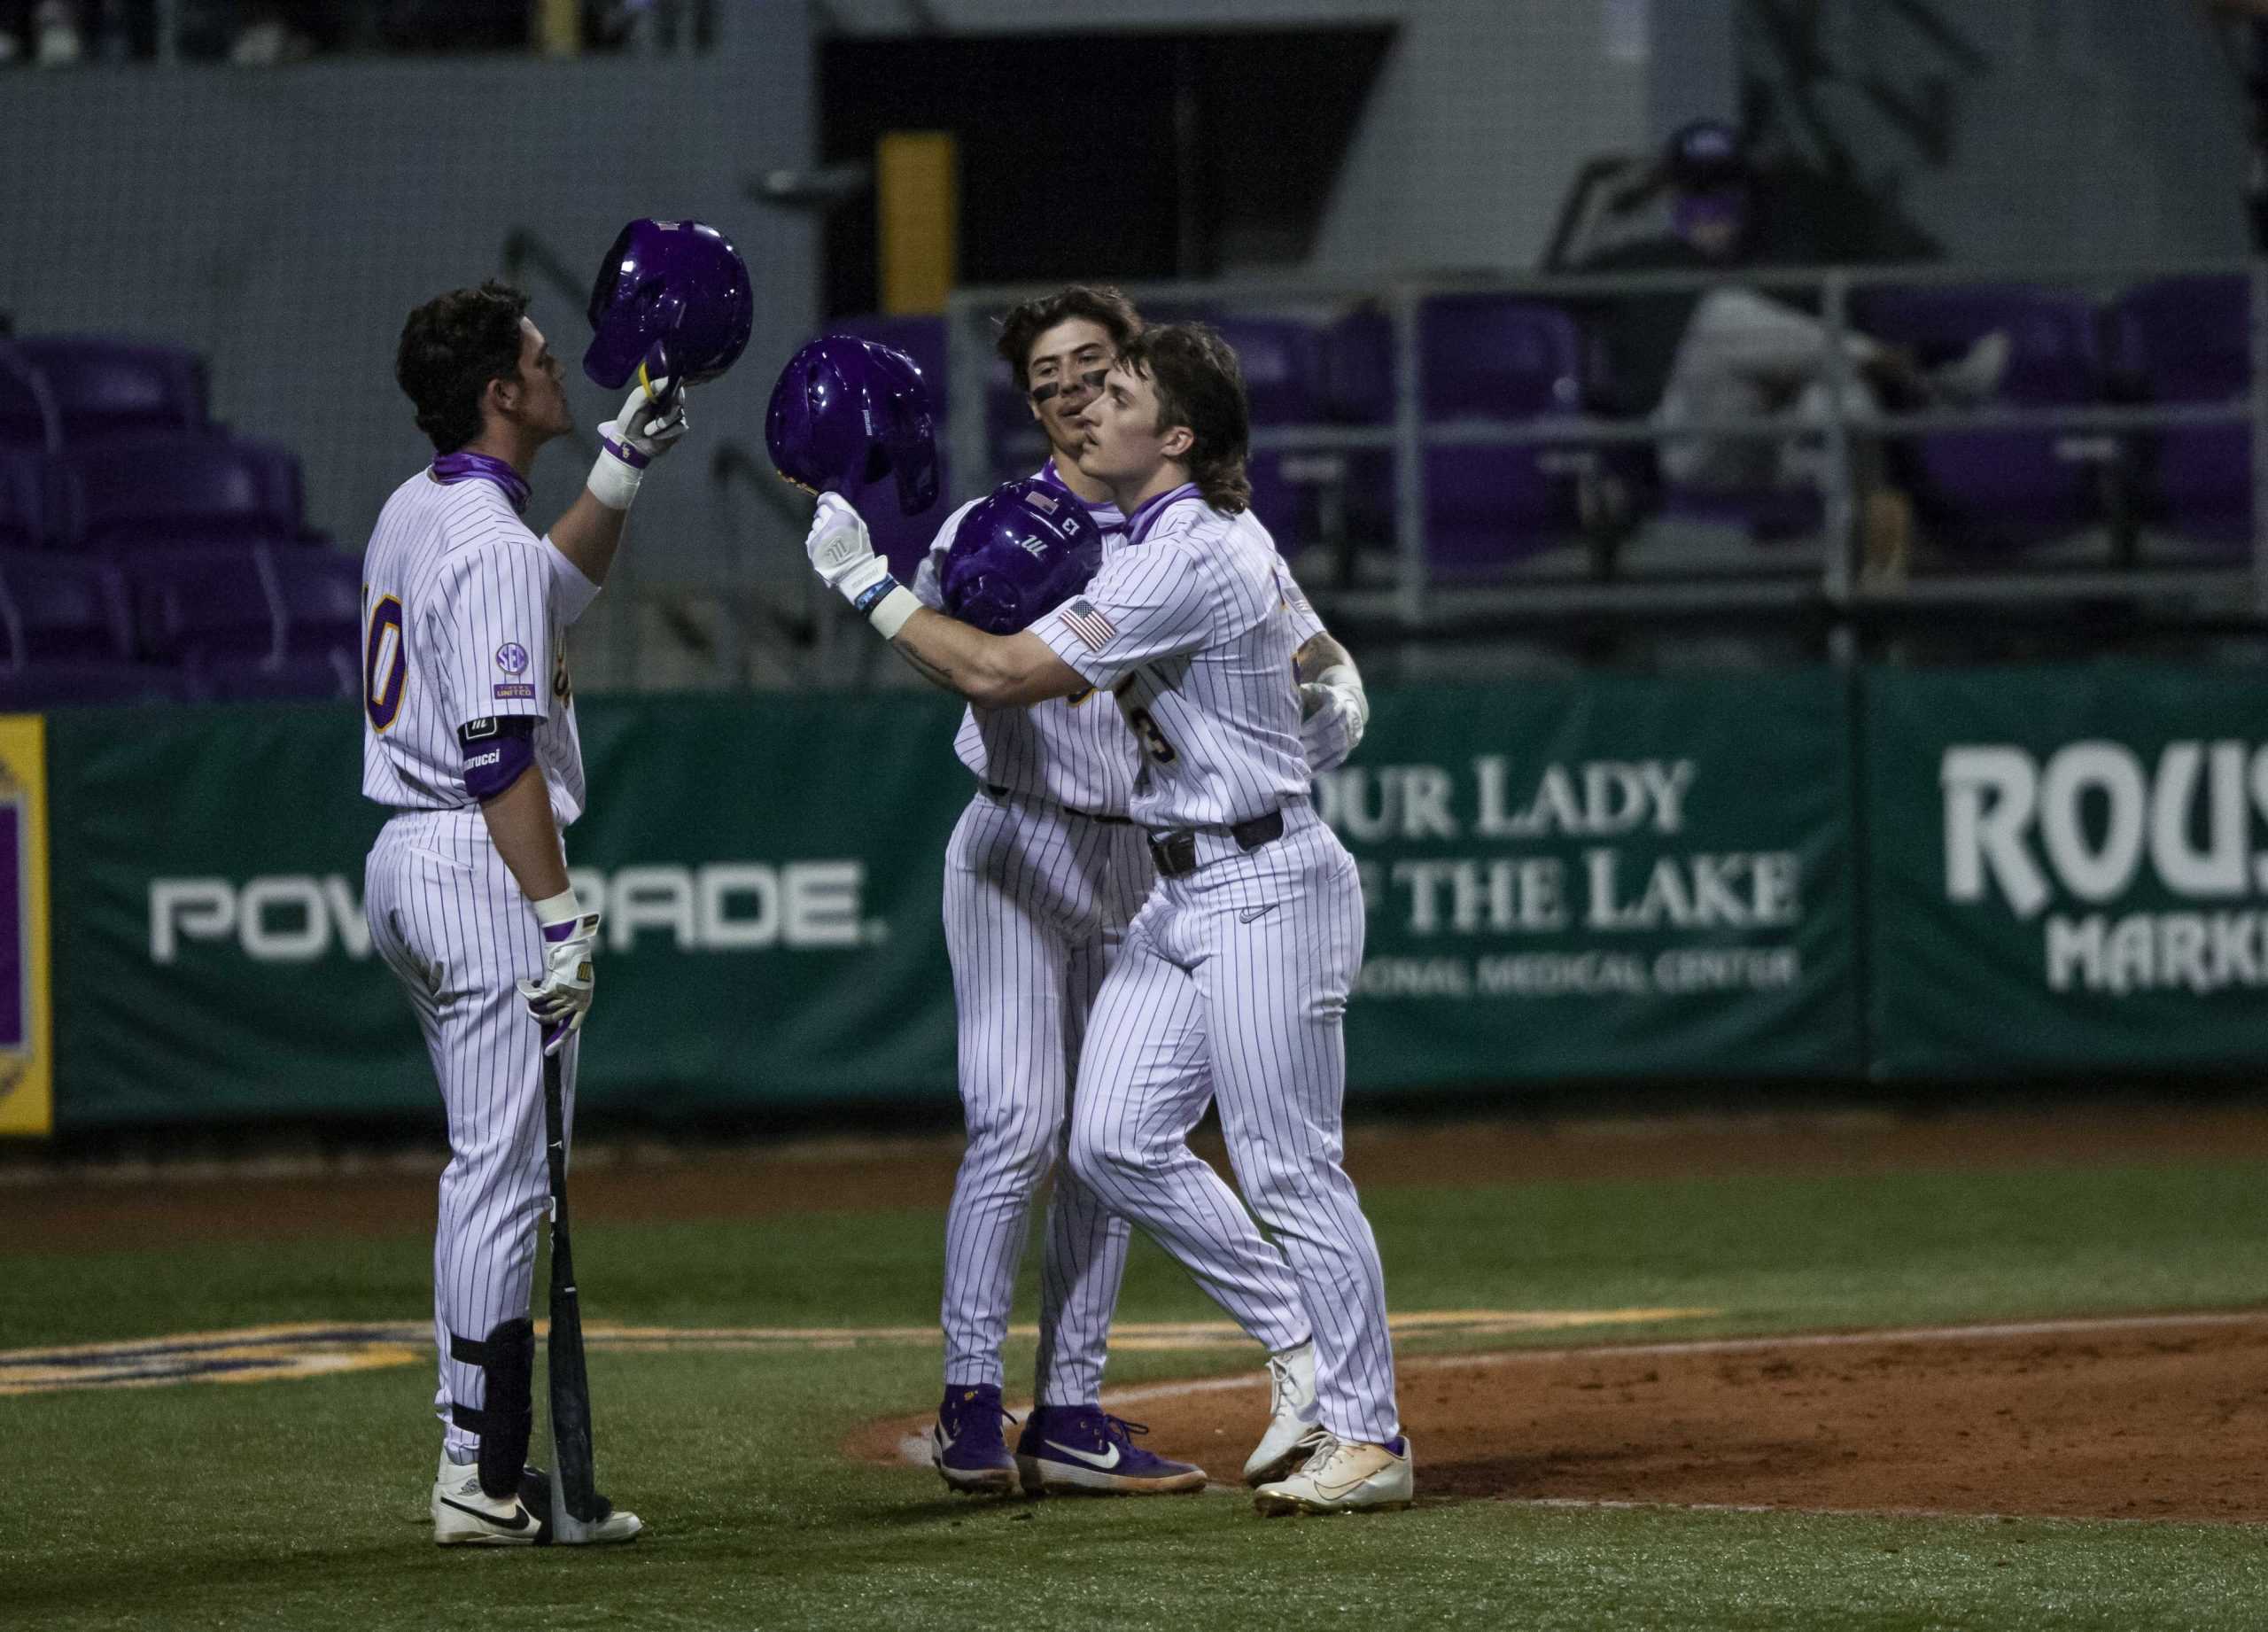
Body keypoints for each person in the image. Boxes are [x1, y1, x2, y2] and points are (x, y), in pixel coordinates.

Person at [802, 322, 1408, 1517]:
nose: (1091, 404)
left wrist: (864, 583)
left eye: (1118, 387)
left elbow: (998, 672)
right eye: (1068, 386)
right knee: (1110, 1139)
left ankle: (1372, 1433)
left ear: (1173, 436)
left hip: (1265, 880)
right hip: (1177, 884)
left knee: (1291, 1168)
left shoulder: (1188, 552)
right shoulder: (1161, 536)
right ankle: (1296, 1345)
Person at [361, 279, 687, 1546]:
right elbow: (501, 749)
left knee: (490, 1167)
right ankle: (477, 1472)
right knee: (503, 1174)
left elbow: (545, 597)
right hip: (475, 856)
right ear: (502, 391)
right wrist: (555, 915)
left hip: (410, 855)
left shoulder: (424, 505)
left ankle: (483, 1459)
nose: (562, 367)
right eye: (544, 358)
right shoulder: (484, 538)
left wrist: (617, 468)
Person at [1579, 119, 2005, 575]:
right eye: (1696, 188)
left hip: (1782, 440)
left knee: (1850, 403)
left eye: (1723, 184)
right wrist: (1610, 204)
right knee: (1724, 312)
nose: (1711, 203)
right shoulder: (1637, 265)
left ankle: (1886, 577)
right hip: (1695, 447)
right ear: (1674, 195)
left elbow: (1857, 316)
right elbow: (1536, 293)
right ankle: (1929, 379)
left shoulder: (1788, 261)